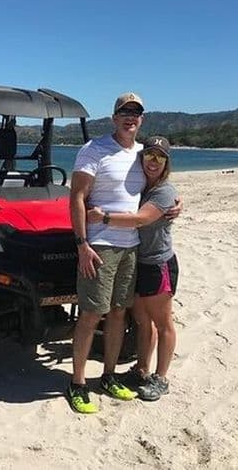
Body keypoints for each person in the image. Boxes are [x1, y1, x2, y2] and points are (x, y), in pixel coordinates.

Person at [65, 92, 149, 414]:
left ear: (141, 119)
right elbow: (77, 197)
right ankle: (77, 383)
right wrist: (81, 244)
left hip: (131, 246)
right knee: (90, 314)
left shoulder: (143, 154)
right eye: (124, 112)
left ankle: (109, 376)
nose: (130, 117)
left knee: (118, 313)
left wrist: (175, 204)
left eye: (136, 112)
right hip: (100, 246)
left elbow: (155, 188)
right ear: (114, 117)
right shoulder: (94, 149)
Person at [87, 135, 178, 401]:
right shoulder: (141, 188)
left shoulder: (165, 191)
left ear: (166, 163)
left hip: (158, 263)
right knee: (142, 321)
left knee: (163, 323)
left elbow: (140, 219)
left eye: (159, 157)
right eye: (149, 155)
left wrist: (102, 217)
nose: (153, 161)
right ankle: (141, 369)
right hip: (138, 260)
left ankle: (161, 378)